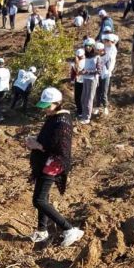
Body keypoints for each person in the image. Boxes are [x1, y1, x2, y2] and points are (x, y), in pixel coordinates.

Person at [25, 87, 83, 247]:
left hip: (52, 164)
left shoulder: (62, 121)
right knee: (43, 197)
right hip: (46, 162)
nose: (45, 110)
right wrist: (36, 142)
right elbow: (48, 139)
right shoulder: (54, 117)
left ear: (57, 103)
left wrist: (37, 145)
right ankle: (42, 230)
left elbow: (59, 148)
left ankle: (69, 229)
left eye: (48, 106)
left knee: (39, 200)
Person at [78, 40, 101, 125]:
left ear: (92, 46)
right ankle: (83, 114)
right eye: (86, 46)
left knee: (89, 99)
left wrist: (87, 72)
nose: (88, 47)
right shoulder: (86, 57)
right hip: (85, 79)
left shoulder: (97, 57)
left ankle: (87, 117)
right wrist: (82, 71)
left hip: (92, 79)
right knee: (83, 98)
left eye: (90, 46)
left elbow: (99, 71)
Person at [94, 39, 115, 117]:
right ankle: (97, 106)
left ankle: (105, 107)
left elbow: (109, 67)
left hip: (105, 75)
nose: (96, 51)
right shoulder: (96, 56)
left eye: (97, 50)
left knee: (104, 92)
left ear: (101, 50)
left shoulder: (107, 56)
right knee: (98, 91)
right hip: (98, 76)